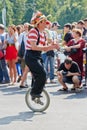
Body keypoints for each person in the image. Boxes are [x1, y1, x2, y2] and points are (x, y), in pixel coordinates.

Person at [25, 11, 59, 100]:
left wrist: (54, 45)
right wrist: (48, 47)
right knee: (42, 74)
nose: (46, 24)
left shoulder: (43, 33)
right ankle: (34, 92)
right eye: (44, 22)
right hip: (31, 56)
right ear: (39, 23)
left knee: (40, 75)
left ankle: (34, 90)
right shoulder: (33, 31)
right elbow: (34, 47)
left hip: (37, 55)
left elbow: (47, 45)